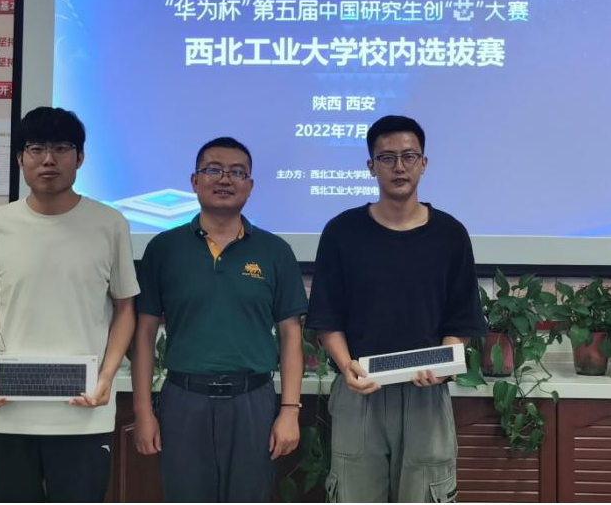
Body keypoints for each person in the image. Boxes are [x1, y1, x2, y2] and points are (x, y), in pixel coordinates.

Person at [306, 115, 487, 503]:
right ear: (371, 166)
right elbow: (327, 316)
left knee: (427, 493)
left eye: (409, 156)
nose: (399, 167)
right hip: (360, 391)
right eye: (387, 158)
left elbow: (461, 318)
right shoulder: (341, 232)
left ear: (424, 163)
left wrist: (442, 364)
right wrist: (346, 366)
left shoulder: (450, 235)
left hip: (426, 396)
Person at [0, 106, 139, 503]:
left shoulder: (110, 224)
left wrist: (107, 376)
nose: (48, 159)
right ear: (20, 158)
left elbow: (125, 308)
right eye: (36, 148)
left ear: (80, 157)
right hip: (6, 411)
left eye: (61, 148)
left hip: (83, 412)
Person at [132, 136, 308, 503]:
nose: (225, 179)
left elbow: (291, 334)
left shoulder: (275, 251)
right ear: (194, 181)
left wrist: (290, 411)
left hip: (252, 401)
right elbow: (144, 333)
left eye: (237, 172)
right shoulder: (164, 249)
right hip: (184, 400)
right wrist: (143, 410)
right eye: (213, 170)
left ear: (250, 185)